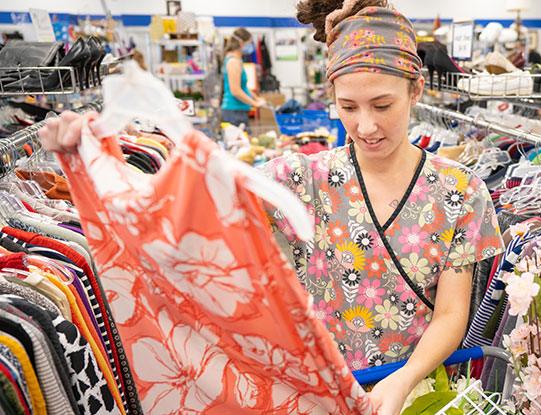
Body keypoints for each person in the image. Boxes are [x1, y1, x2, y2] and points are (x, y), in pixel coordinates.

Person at [38, 1, 504, 414]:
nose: (366, 125)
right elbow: (178, 205)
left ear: (416, 90)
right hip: (323, 393)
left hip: (419, 389)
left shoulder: (460, 190)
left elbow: (450, 314)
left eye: (383, 104)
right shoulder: (300, 178)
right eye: (348, 106)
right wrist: (91, 158)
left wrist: (404, 379)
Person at [221, 28, 266, 131]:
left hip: (238, 111)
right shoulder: (233, 62)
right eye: (249, 43)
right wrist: (255, 104)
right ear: (241, 42)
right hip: (234, 111)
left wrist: (256, 98)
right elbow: (235, 91)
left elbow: (243, 87)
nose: (251, 47)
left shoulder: (237, 60)